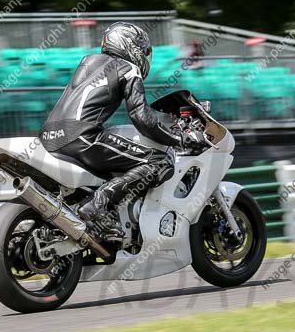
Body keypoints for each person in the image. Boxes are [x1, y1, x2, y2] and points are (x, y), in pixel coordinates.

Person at [40, 22, 206, 241]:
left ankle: (97, 215)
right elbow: (141, 118)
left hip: (49, 137)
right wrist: (179, 139)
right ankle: (98, 205)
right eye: (143, 50)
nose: (145, 56)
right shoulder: (128, 68)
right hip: (82, 137)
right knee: (161, 162)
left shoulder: (87, 62)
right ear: (130, 45)